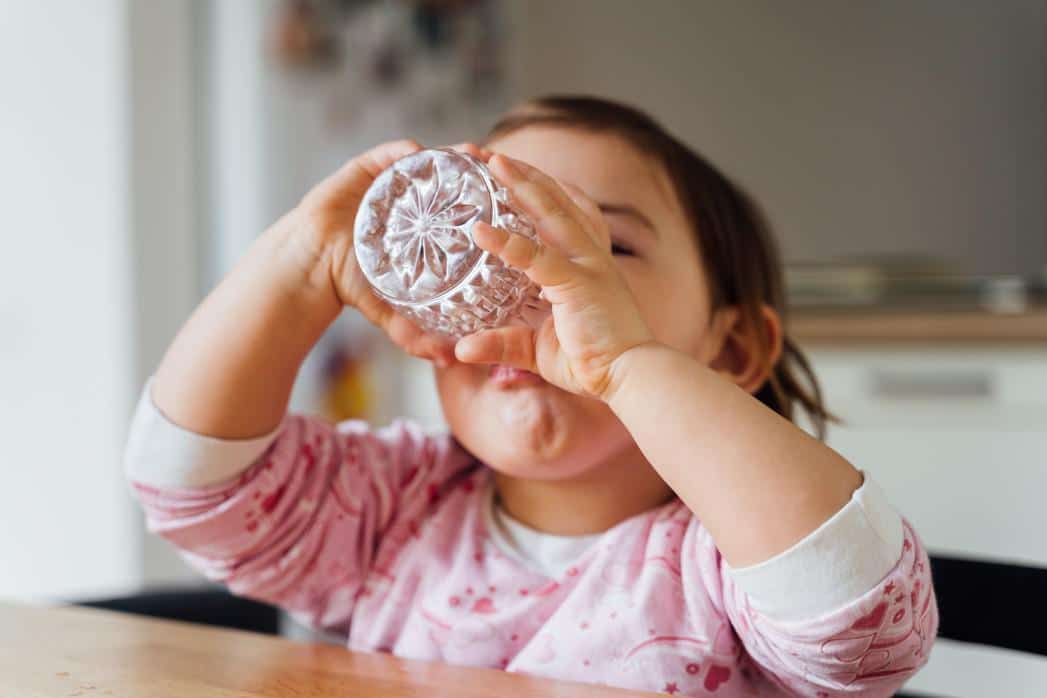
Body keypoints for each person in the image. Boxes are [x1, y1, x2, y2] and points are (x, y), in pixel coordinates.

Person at [125, 96, 937, 696]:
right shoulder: (394, 510)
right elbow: (194, 488)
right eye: (498, 229)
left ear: (728, 348)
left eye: (604, 244)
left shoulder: (728, 564)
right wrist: (300, 265)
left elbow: (865, 626)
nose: (528, 278)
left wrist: (621, 361)